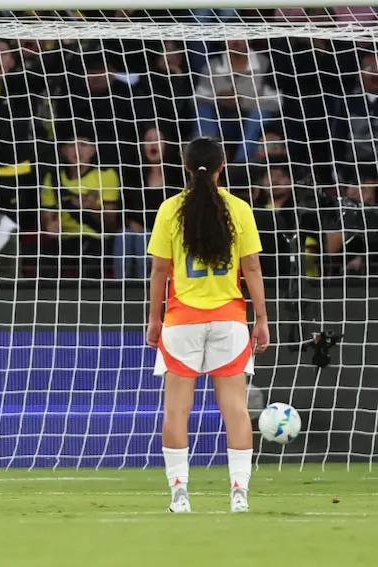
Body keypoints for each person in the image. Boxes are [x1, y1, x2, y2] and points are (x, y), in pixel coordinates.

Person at [145, 137, 270, 514]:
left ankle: (179, 493)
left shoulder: (170, 208)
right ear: (222, 168)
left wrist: (154, 319)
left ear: (185, 167)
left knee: (176, 411)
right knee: (235, 409)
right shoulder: (239, 208)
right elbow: (251, 267)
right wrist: (262, 318)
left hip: (182, 319)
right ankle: (239, 493)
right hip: (229, 320)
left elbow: (159, 270)